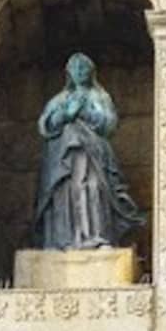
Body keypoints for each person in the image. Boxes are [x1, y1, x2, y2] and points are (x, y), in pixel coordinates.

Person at [33, 53, 144, 251]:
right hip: (63, 159)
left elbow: (109, 123)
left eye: (83, 68)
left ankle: (97, 237)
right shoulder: (60, 99)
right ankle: (63, 239)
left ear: (91, 72)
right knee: (65, 193)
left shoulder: (99, 97)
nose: (79, 72)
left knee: (93, 189)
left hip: (92, 156)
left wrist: (84, 112)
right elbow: (46, 125)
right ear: (68, 73)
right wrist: (66, 114)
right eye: (75, 68)